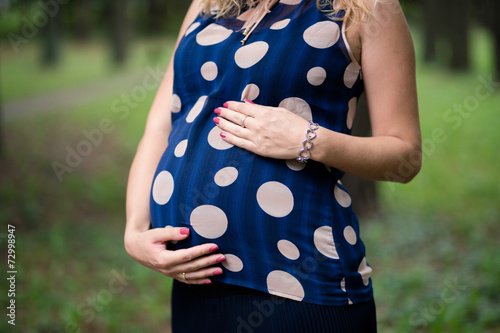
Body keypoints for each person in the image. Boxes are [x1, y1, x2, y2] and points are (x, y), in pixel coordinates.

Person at [124, 0, 421, 331]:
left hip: (303, 288)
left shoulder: (366, 7)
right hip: (197, 282)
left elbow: (405, 156)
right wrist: (135, 228)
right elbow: (160, 128)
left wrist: (309, 140)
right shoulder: (207, 5)